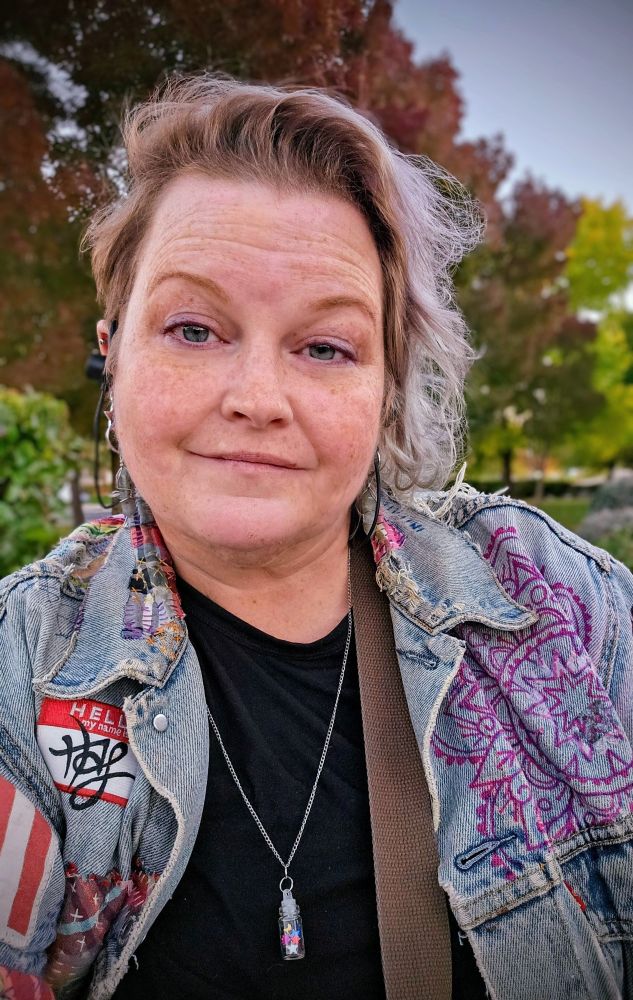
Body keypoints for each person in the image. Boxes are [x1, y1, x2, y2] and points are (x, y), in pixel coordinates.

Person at [0, 74, 631, 1000]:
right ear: (113, 351)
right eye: (193, 329)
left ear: (384, 388)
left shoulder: (558, 605)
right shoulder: (22, 668)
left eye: (325, 347)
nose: (257, 397)